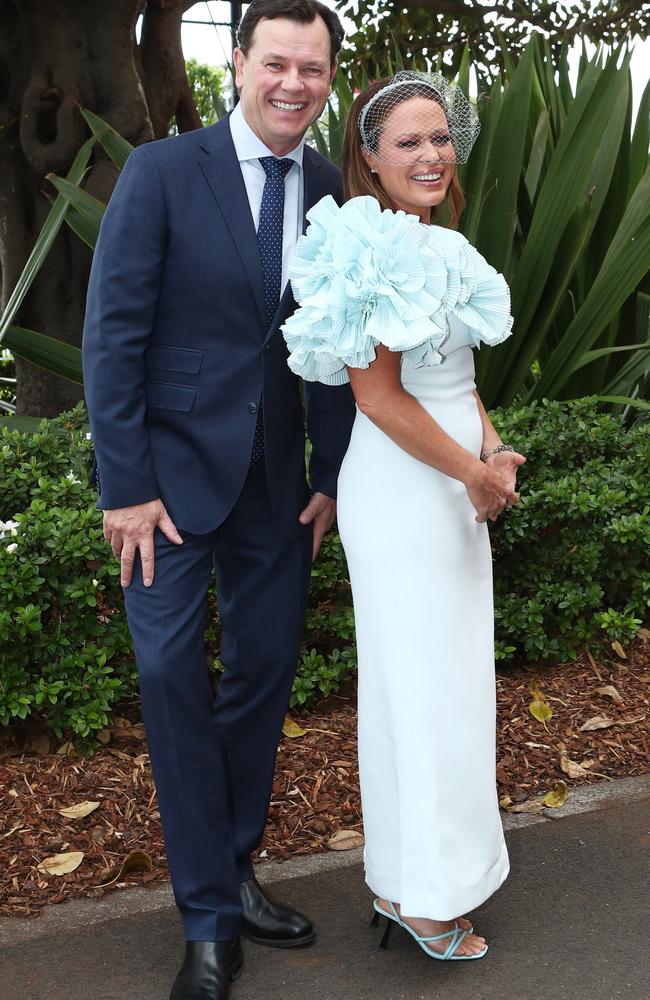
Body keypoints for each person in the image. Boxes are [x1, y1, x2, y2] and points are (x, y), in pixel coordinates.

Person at [82, 2, 354, 997]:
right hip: (165, 492)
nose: (293, 84)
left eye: (311, 69)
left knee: (265, 673)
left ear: (327, 77)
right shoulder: (161, 173)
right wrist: (126, 489)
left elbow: (328, 350)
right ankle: (204, 917)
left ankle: (233, 870)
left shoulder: (325, 187)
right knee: (167, 678)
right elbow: (111, 337)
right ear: (237, 63)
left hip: (276, 490)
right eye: (275, 63)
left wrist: (329, 474)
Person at [283, 71, 526, 962]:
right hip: (406, 489)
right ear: (371, 160)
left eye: (440, 139)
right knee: (421, 691)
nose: (430, 155)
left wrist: (492, 455)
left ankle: (408, 878)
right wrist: (471, 472)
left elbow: (460, 384)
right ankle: (424, 900)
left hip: (455, 483)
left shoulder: (443, 244)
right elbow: (380, 400)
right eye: (408, 143)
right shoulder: (373, 248)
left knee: (446, 687)